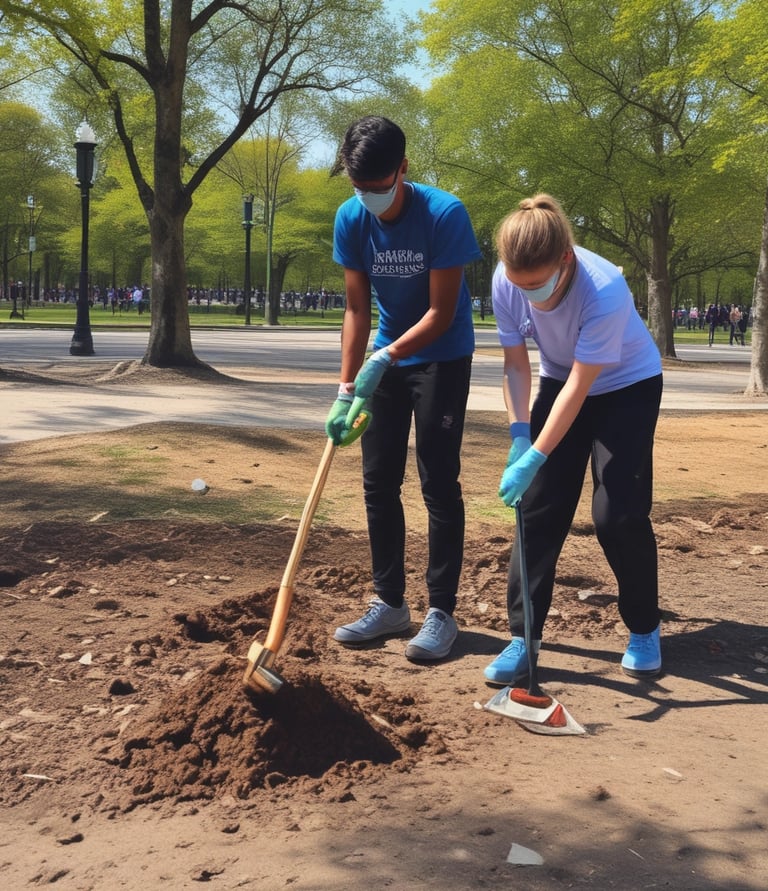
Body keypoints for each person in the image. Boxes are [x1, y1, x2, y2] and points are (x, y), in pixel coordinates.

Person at [486, 193, 664, 685]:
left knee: (617, 511)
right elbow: (517, 362)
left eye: (537, 285)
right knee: (537, 506)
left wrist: (536, 453)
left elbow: (583, 388)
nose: (528, 294)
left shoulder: (603, 287)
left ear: (565, 260)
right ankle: (524, 637)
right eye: (519, 285)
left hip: (626, 386)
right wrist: (520, 435)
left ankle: (644, 627)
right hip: (557, 378)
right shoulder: (507, 277)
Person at [325, 115, 482, 661]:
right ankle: (389, 603)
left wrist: (387, 355)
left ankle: (441, 611)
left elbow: (441, 312)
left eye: (377, 186)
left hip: (440, 357)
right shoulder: (351, 218)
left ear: (403, 169)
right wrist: (348, 386)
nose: (367, 197)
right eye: (357, 187)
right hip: (383, 361)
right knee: (377, 481)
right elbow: (355, 307)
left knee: (438, 481)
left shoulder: (444, 213)